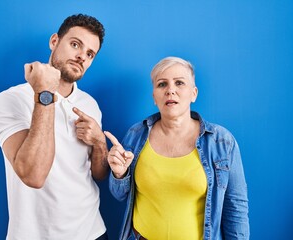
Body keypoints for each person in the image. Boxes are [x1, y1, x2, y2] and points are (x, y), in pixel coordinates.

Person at [0, 14, 110, 240]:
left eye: (89, 54)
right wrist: (44, 93)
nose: (81, 57)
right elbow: (33, 175)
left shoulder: (90, 105)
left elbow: (99, 174)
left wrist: (100, 143)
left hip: (92, 231)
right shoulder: (10, 100)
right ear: (54, 41)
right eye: (75, 44)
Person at [104, 56, 249, 240]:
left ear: (194, 93)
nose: (170, 90)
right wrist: (119, 174)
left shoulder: (221, 142)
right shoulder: (136, 134)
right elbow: (119, 195)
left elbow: (236, 207)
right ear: (154, 97)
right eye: (162, 84)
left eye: (179, 83)